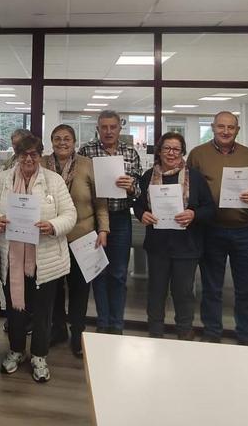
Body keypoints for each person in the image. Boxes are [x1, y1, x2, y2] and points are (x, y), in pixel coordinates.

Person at [0, 135, 77, 383]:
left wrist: (52, 225)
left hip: (45, 259)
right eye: (23, 154)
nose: (28, 159)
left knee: (43, 311)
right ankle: (16, 350)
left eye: (34, 154)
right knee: (16, 309)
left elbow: (70, 214)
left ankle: (39, 355)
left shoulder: (53, 181)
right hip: (11, 257)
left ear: (40, 155)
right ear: (16, 154)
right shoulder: (2, 179)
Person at [186, 111, 248, 345]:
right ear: (212, 127)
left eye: (230, 127)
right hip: (210, 229)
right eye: (221, 126)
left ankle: (246, 335)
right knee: (211, 286)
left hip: (245, 230)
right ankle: (212, 333)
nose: (225, 131)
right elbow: (187, 187)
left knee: (246, 287)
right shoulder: (197, 155)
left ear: (237, 130)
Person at [135, 133, 215, 340]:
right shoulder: (147, 177)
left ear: (182, 152)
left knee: (184, 293)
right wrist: (141, 213)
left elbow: (210, 209)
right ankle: (155, 333)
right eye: (166, 148)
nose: (171, 153)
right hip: (158, 246)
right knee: (156, 292)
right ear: (159, 151)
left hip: (187, 246)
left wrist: (194, 214)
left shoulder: (195, 177)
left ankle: (184, 332)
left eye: (175, 149)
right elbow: (139, 204)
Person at [42, 124, 109, 357]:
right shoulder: (41, 164)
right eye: (57, 138)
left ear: (74, 142)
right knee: (55, 289)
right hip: (51, 238)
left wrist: (104, 230)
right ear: (51, 141)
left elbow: (101, 202)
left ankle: (78, 332)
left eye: (67, 138)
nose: (62, 142)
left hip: (83, 236)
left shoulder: (86, 165)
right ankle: (58, 328)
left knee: (80, 288)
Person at [78, 110, 142, 335]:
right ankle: (102, 322)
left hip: (121, 218)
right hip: (94, 220)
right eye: (103, 127)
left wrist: (131, 186)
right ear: (98, 129)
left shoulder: (130, 153)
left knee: (119, 273)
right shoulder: (86, 151)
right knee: (98, 273)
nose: (108, 131)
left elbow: (139, 190)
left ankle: (117, 325)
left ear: (119, 129)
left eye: (112, 127)